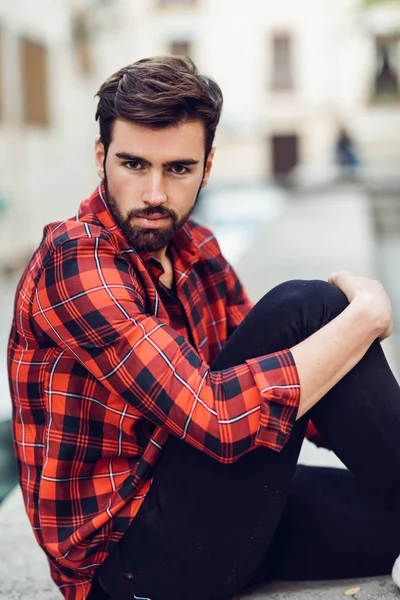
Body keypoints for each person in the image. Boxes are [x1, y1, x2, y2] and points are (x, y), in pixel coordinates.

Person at [7, 56, 400, 600]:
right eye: (134, 165)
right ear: (101, 158)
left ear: (207, 168)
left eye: (178, 169)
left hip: (214, 506)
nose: (154, 195)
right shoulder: (74, 264)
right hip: (128, 559)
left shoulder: (199, 253)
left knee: (388, 519)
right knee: (309, 307)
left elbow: (309, 399)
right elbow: (217, 416)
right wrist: (365, 319)